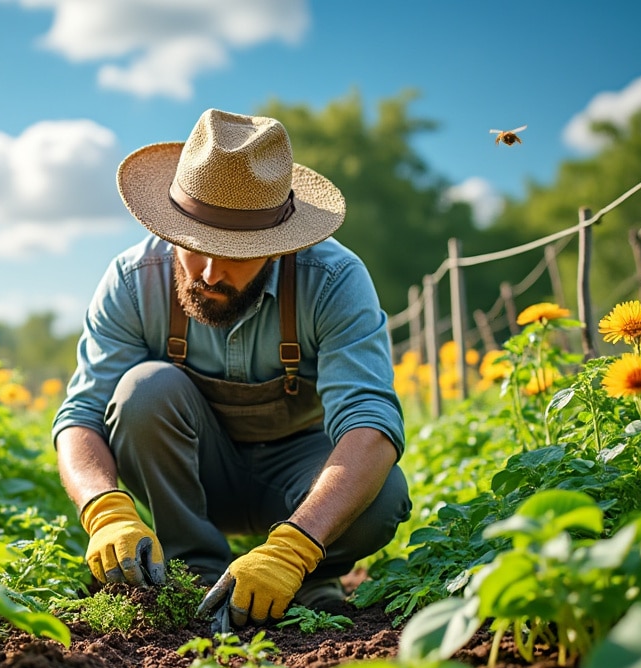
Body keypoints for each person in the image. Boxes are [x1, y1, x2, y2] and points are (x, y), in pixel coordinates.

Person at [51, 108, 411, 628]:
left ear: (277, 244)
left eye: (235, 252)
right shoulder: (133, 280)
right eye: (195, 246)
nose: (209, 272)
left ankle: (302, 576)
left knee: (383, 495)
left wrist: (295, 545)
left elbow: (370, 423)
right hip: (193, 478)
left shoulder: (332, 280)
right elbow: (80, 417)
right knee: (144, 390)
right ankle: (193, 574)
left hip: (300, 480)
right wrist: (104, 510)